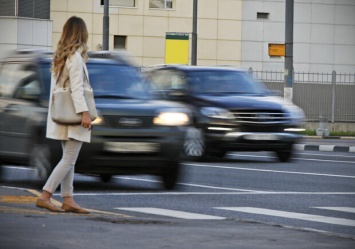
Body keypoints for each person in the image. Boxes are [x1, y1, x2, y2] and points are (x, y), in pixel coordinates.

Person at [35, 16, 93, 214]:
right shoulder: (75, 57)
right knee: (69, 158)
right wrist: (85, 113)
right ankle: (45, 194)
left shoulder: (61, 55)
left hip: (62, 114)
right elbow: (77, 89)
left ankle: (68, 198)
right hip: (74, 114)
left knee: (69, 158)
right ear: (81, 33)